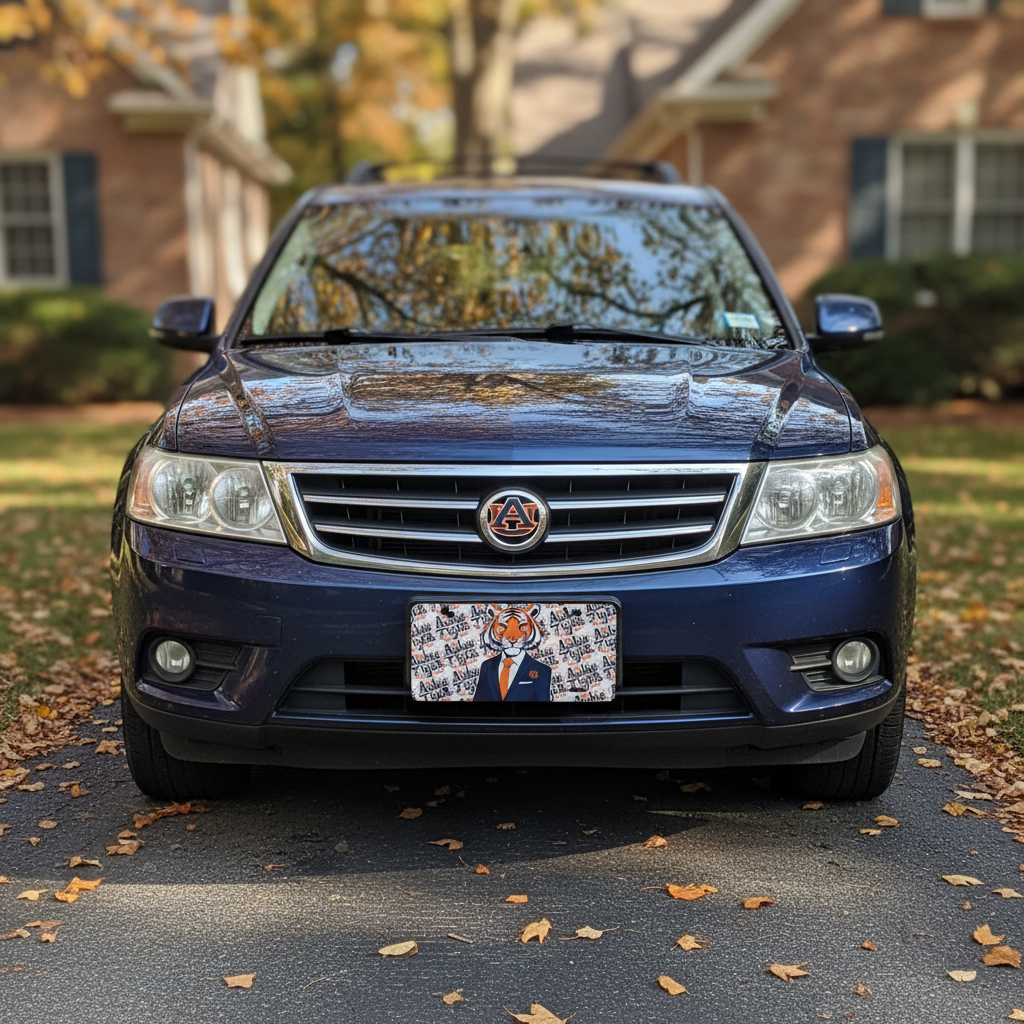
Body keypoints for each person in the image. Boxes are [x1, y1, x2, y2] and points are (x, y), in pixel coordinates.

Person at [473, 606, 552, 702]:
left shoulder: (542, 670)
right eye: (503, 626)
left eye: (522, 627)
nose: (512, 637)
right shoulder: (487, 666)